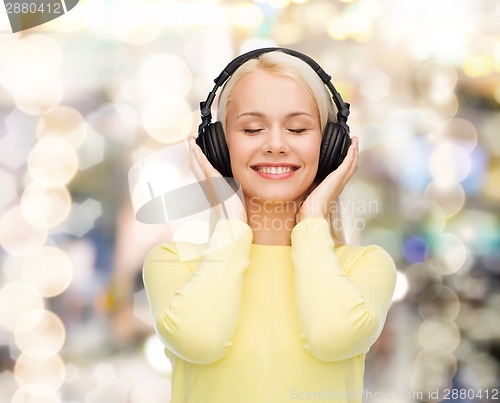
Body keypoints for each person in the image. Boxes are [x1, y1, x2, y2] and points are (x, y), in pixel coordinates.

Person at [142, 48, 397, 403]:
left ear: (329, 147)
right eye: (252, 128)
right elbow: (201, 339)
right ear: (217, 146)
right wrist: (231, 220)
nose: (276, 145)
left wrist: (312, 220)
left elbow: (331, 335)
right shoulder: (174, 263)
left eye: (297, 128)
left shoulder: (364, 266)